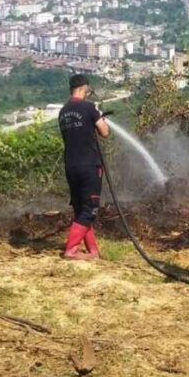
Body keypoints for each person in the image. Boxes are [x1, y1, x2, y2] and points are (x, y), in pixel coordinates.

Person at [57, 73, 110, 260]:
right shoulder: (89, 107)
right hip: (89, 166)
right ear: (83, 88)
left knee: (81, 209)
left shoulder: (63, 112)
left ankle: (92, 251)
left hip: (71, 166)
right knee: (90, 209)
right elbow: (104, 132)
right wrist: (102, 119)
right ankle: (71, 250)